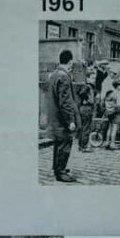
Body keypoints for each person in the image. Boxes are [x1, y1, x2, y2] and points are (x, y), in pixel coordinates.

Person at [46, 49, 80, 182]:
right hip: (62, 118)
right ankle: (61, 172)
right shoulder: (64, 76)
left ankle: (57, 168)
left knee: (58, 143)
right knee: (65, 143)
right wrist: (70, 121)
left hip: (55, 116)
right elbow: (65, 102)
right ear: (70, 62)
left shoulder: (54, 74)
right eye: (73, 63)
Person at [103, 79, 120, 150]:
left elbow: (105, 101)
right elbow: (119, 105)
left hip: (109, 112)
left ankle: (107, 142)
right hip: (116, 112)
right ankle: (112, 143)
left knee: (109, 127)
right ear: (118, 86)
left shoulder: (110, 93)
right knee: (115, 127)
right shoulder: (118, 93)